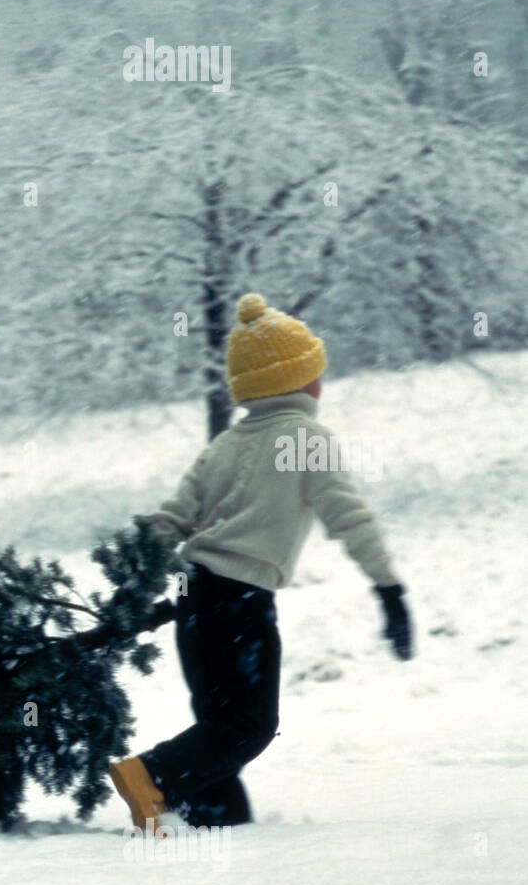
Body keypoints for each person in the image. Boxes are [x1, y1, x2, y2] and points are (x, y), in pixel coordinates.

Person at [109, 293, 413, 832]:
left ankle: (213, 817)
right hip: (239, 603)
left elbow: (171, 520)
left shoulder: (224, 446)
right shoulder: (307, 440)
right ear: (296, 380)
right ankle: (149, 779)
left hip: (194, 600)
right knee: (247, 727)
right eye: (314, 371)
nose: (321, 382)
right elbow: (350, 519)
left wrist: (133, 579)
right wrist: (388, 589)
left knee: (219, 728)